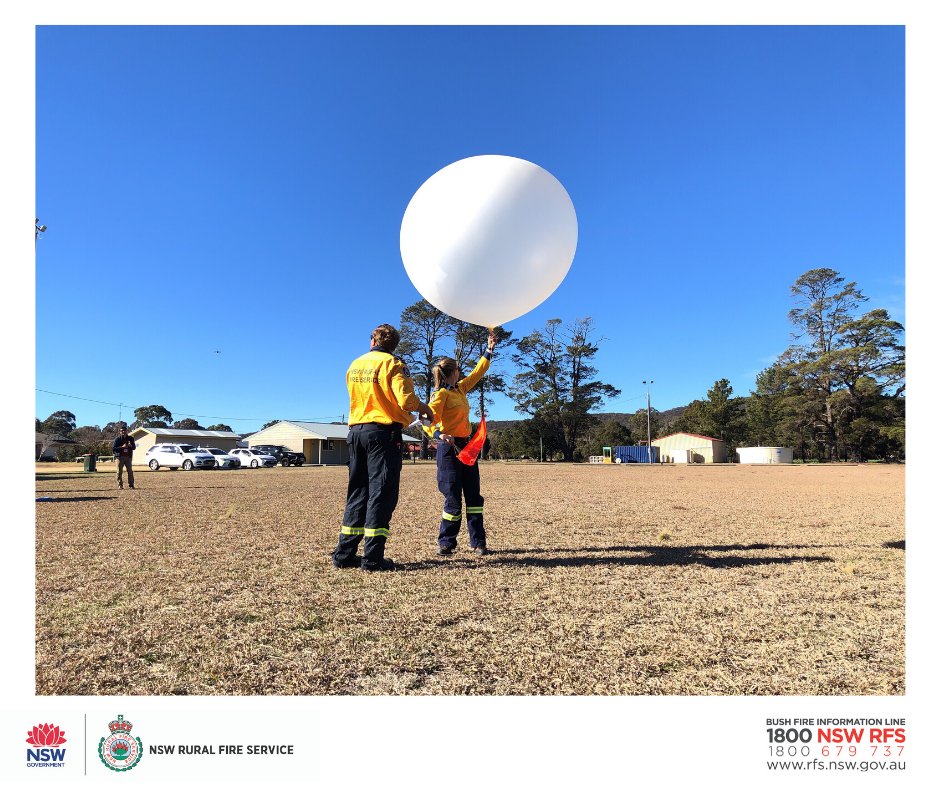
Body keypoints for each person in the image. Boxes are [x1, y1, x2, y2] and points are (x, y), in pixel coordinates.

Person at [332, 323, 432, 572]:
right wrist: (425, 409)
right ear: (394, 345)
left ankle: (344, 554)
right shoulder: (394, 364)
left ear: (372, 341)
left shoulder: (355, 364)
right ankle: (373, 558)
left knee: (358, 491)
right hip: (383, 434)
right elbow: (407, 400)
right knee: (381, 493)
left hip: (356, 432)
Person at [425, 330, 497, 556]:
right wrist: (438, 435)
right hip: (448, 449)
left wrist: (489, 350)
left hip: (468, 447)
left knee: (474, 496)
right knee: (453, 498)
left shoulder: (460, 389)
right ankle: (446, 542)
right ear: (451, 372)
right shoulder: (440, 395)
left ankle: (478, 542)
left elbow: (478, 373)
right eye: (458, 370)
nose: (461, 372)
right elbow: (428, 420)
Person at [112, 425, 136, 490]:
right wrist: (121, 447)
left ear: (126, 431)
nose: (123, 432)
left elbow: (134, 447)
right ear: (120, 432)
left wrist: (130, 445)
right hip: (120, 457)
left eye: (124, 430)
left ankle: (131, 485)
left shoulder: (131, 438)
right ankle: (120, 485)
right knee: (119, 471)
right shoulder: (117, 439)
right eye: (122, 431)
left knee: (130, 471)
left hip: (128, 457)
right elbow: (113, 448)